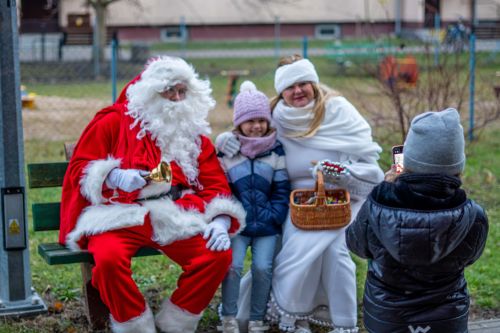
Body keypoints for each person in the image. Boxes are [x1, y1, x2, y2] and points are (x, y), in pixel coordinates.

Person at [59, 56, 246, 333]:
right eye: (169, 90)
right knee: (109, 261)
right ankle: (134, 323)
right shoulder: (113, 121)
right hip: (119, 214)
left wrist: (220, 220)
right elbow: (79, 168)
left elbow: (215, 183)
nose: (176, 98)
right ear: (150, 92)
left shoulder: (192, 135)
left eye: (182, 91)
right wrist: (113, 176)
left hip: (175, 213)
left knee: (216, 256)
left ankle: (175, 323)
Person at [216, 55, 384, 333]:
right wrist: (226, 140)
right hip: (293, 200)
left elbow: (368, 164)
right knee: (298, 246)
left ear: (314, 84)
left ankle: (342, 323)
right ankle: (297, 316)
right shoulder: (274, 117)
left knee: (335, 250)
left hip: (342, 197)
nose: (298, 91)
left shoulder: (337, 109)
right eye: (290, 86)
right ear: (281, 91)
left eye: (304, 83)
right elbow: (248, 133)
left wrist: (340, 173)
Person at [346, 108, 489, 333]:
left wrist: (384, 189)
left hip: (388, 316)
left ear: (408, 160)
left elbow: (356, 245)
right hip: (447, 317)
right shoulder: (473, 215)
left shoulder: (378, 206)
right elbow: (469, 257)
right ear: (457, 166)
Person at [217, 81, 291, 333]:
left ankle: (257, 319)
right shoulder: (228, 152)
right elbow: (223, 189)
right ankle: (228, 317)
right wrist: (233, 215)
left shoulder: (275, 151)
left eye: (261, 120)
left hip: (268, 224)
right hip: (238, 225)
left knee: (262, 268)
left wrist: (274, 215)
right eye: (250, 121)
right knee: (233, 266)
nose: (256, 126)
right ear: (239, 123)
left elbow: (282, 189)